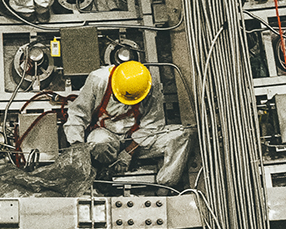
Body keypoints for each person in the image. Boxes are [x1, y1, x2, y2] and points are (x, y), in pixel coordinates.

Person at [59, 58, 192, 188]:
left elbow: (152, 125)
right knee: (99, 143)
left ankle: (165, 186)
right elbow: (77, 114)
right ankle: (104, 170)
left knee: (182, 134)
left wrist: (128, 152)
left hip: (138, 141)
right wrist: (77, 149)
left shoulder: (148, 86)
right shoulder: (98, 79)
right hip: (106, 135)